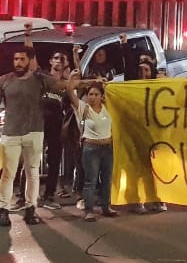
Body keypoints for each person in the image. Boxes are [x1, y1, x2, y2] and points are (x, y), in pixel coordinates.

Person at [1, 44, 80, 227]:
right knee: (8, 173)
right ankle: (3, 210)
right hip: (11, 133)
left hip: (35, 132)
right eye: (15, 59)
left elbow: (67, 85)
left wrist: (88, 82)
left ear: (29, 61)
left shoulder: (41, 80)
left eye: (22, 59)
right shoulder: (5, 80)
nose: (18, 62)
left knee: (33, 173)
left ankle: (31, 209)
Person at [37, 49, 76, 211]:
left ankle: (49, 196)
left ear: (66, 63)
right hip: (37, 124)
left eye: (62, 58)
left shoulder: (66, 86)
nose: (59, 60)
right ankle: (25, 197)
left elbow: (75, 98)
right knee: (30, 161)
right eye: (56, 57)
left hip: (56, 127)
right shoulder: (41, 78)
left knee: (54, 162)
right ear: (50, 61)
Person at [74, 82, 119, 221]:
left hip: (107, 148)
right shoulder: (84, 108)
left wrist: (106, 85)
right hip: (91, 149)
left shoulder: (108, 108)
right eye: (90, 94)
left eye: (96, 94)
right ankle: (89, 210)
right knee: (91, 180)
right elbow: (70, 91)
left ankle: (106, 206)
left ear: (102, 96)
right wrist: (73, 79)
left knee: (107, 179)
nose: (93, 97)